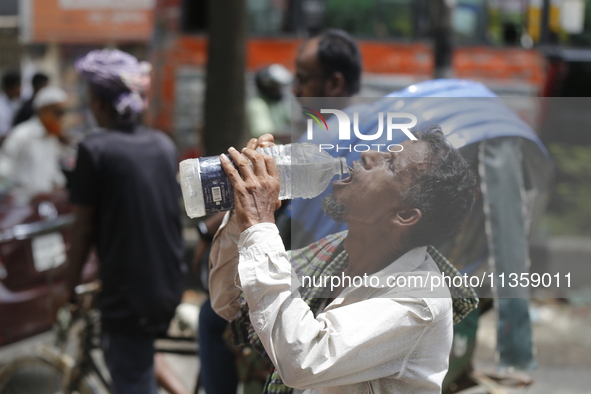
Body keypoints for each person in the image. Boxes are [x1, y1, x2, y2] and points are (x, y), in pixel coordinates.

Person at [209, 128, 479, 393]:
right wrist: (243, 214)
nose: (369, 155)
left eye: (391, 164)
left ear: (405, 215)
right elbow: (232, 302)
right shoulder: (334, 253)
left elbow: (304, 360)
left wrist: (260, 223)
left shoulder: (419, 300)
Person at [66, 49, 187, 394]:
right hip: (166, 285)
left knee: (131, 377)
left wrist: (68, 288)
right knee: (139, 361)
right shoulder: (163, 145)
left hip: (128, 294)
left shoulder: (95, 149)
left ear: (101, 103)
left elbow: (83, 228)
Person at [0, 86, 67, 195]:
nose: (62, 118)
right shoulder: (21, 135)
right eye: (58, 112)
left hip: (44, 205)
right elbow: (3, 172)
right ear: (43, 110)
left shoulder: (51, 138)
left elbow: (54, 173)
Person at [247, 64, 291, 142]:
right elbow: (264, 133)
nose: (279, 90)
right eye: (275, 87)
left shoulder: (277, 104)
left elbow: (293, 120)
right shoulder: (256, 104)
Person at [0, 71, 21, 141]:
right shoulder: (1, 108)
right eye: (19, 86)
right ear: (14, 87)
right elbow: (3, 135)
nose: (20, 90)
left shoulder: (14, 102)